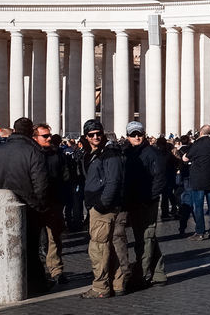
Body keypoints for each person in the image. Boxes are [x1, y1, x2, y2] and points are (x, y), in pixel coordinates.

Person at [0, 117, 51, 294]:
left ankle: (5, 283)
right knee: (30, 249)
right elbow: (41, 184)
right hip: (30, 208)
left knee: (4, 245)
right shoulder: (33, 152)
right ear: (30, 133)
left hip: (1, 208)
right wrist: (39, 204)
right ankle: (35, 284)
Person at [80, 119, 129, 299]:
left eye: (98, 133)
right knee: (110, 247)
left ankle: (100, 286)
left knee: (98, 248)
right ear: (86, 136)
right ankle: (117, 283)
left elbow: (113, 181)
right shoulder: (95, 153)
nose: (96, 137)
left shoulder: (109, 154)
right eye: (92, 135)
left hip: (103, 208)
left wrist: (101, 204)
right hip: (99, 204)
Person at [121, 122, 167, 289]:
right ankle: (159, 273)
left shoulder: (152, 153)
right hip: (133, 201)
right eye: (133, 135)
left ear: (144, 134)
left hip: (146, 202)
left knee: (146, 238)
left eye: (139, 134)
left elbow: (160, 178)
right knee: (147, 237)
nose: (136, 137)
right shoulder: (127, 153)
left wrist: (150, 198)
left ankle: (140, 275)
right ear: (128, 137)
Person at [33, 124, 67, 284]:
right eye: (45, 136)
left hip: (54, 201)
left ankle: (56, 270)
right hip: (35, 203)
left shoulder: (56, 154)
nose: (49, 138)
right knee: (34, 239)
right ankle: (37, 272)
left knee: (54, 238)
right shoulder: (31, 154)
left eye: (49, 135)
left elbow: (65, 174)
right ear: (35, 138)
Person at [180, 125, 210, 239]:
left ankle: (200, 232)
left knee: (198, 206)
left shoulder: (197, 144)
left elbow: (186, 158)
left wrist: (184, 156)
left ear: (201, 132)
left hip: (198, 179)